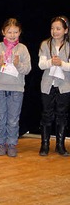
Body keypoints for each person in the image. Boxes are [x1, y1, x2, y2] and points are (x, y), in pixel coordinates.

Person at [0, 18, 31, 157]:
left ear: (20, 32)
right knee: (1, 117)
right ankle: (0, 143)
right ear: (3, 32)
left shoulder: (22, 49)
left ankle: (12, 144)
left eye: (15, 32)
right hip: (0, 88)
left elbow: (27, 69)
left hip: (17, 89)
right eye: (9, 32)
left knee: (13, 119)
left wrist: (18, 64)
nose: (12, 35)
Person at [37, 16, 70, 157]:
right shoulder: (45, 44)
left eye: (58, 29)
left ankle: (60, 145)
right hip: (47, 84)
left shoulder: (69, 46)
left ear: (66, 30)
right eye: (52, 28)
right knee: (46, 114)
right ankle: (44, 144)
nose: (55, 31)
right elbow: (41, 64)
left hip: (64, 85)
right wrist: (52, 62)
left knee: (61, 115)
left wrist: (61, 64)